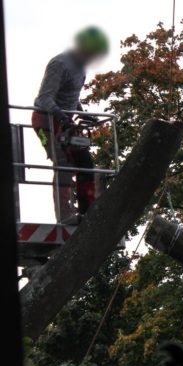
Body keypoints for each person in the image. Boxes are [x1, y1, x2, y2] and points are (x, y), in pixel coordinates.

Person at [32, 26, 109, 224]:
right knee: (63, 164)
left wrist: (84, 114)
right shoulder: (60, 64)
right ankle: (64, 215)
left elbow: (71, 98)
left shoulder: (81, 68)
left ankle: (87, 210)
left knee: (85, 164)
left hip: (65, 122)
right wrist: (62, 117)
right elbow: (45, 99)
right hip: (45, 122)